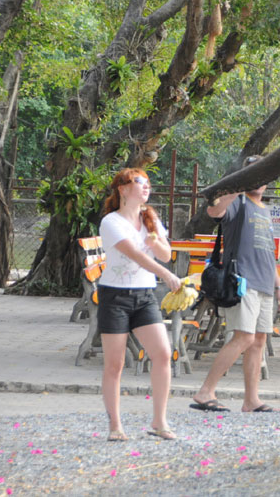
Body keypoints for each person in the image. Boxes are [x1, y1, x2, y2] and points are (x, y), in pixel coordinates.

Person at [191, 155, 280, 413]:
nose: (257, 180)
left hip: (264, 285)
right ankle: (205, 392)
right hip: (242, 282)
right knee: (244, 337)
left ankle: (251, 400)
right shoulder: (238, 203)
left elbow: (268, 253)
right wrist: (236, 186)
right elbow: (214, 211)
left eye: (262, 175)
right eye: (252, 174)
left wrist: (279, 289)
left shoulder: (264, 211)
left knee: (258, 341)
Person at [99, 168, 183, 441]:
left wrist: (155, 241)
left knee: (162, 353)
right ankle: (115, 426)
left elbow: (167, 254)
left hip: (144, 295)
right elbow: (134, 255)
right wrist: (166, 275)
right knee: (115, 364)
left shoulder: (151, 218)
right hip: (115, 296)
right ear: (123, 189)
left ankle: (159, 421)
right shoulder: (111, 222)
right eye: (139, 182)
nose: (146, 187)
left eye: (148, 183)